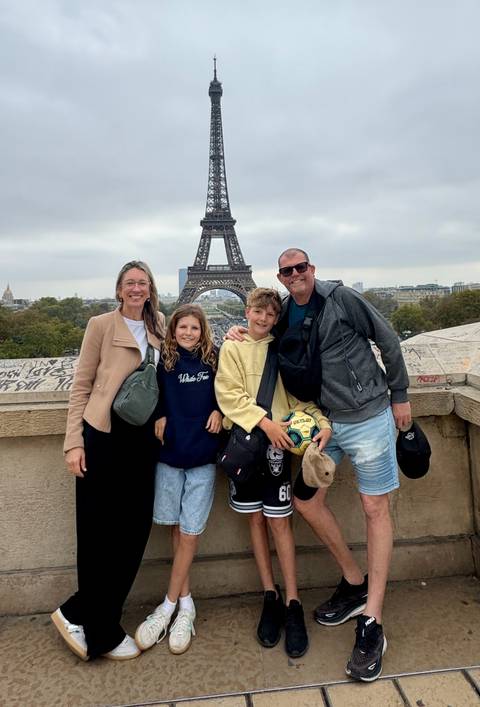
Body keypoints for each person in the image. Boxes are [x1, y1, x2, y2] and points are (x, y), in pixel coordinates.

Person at [227, 249, 411, 682]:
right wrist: (238, 333)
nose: (295, 275)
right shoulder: (286, 312)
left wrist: (399, 394)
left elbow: (386, 338)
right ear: (280, 277)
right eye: (287, 271)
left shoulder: (343, 299)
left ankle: (373, 621)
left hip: (367, 418)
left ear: (312, 269)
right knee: (306, 503)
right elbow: (265, 347)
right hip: (324, 427)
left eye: (301, 268)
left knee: (374, 509)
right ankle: (354, 581)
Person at [51, 260, 165, 661]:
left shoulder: (160, 326)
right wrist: (73, 443)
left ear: (150, 289)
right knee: (99, 535)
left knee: (132, 533)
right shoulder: (100, 325)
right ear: (119, 289)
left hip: (142, 443)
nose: (136, 288)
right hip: (102, 437)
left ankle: (76, 612)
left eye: (142, 282)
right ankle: (101, 631)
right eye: (129, 283)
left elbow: (188, 354)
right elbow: (81, 384)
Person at [215, 288, 332, 659]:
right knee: (255, 523)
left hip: (278, 450)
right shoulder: (231, 346)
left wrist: (321, 421)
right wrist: (266, 425)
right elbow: (229, 396)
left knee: (280, 524)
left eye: (270, 314)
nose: (263, 319)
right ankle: (271, 594)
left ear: (276, 318)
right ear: (246, 311)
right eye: (257, 312)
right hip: (251, 443)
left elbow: (297, 396)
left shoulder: (281, 348)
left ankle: (293, 600)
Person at [135, 304, 223, 656]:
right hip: (170, 456)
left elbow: (230, 391)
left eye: (194, 328)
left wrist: (220, 410)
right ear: (173, 330)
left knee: (189, 531)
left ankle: (169, 605)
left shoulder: (216, 359)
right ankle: (187, 605)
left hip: (202, 456)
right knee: (175, 528)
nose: (188, 332)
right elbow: (153, 396)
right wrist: (158, 415)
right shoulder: (164, 362)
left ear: (203, 332)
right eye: (182, 327)